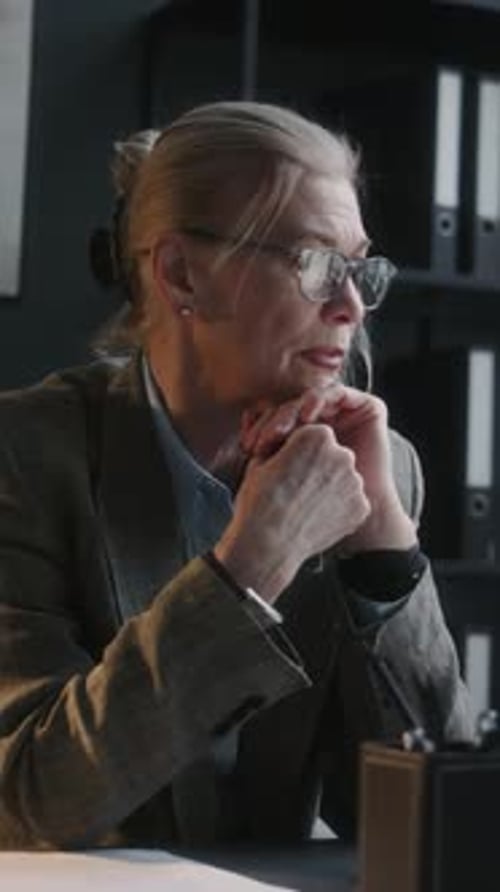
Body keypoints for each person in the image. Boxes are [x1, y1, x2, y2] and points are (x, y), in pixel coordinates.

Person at [0, 101, 472, 851]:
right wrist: (249, 565)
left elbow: (439, 823)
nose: (351, 306)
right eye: (316, 263)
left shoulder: (377, 467)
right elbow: (32, 800)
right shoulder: (24, 454)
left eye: (359, 269)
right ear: (184, 273)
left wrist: (384, 558)